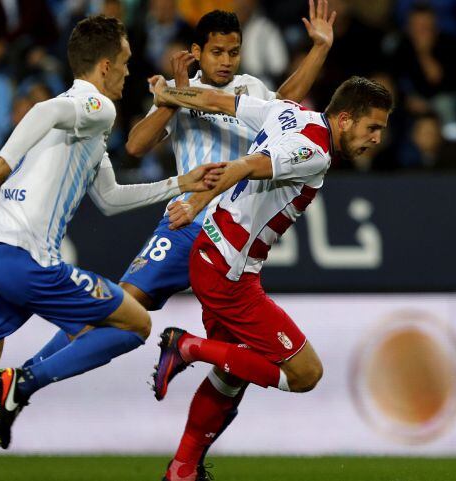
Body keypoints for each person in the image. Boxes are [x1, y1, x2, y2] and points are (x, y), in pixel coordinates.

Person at [13, 5, 334, 476]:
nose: (226, 60)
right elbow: (137, 145)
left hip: (231, 237)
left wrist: (320, 48)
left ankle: (186, 466)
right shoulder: (179, 93)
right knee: (120, 308)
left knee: (233, 370)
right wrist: (169, 99)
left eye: (234, 52)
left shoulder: (250, 90)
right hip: (185, 226)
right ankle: (29, 375)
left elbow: (285, 99)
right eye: (217, 52)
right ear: (198, 52)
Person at [0, 15, 221, 480]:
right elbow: (43, 111)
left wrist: (179, 184)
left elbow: (109, 200)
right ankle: (23, 381)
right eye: (126, 64)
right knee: (135, 323)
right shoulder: (93, 106)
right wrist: (1, 165)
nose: (129, 73)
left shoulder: (88, 128)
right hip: (27, 261)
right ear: (106, 66)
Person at [148, 75, 392, 481]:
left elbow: (216, 101)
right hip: (229, 275)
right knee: (305, 373)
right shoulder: (313, 151)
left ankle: (182, 469)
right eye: (373, 127)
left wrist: (167, 92)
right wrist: (195, 203)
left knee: (231, 375)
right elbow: (245, 165)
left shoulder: (289, 113)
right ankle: (186, 346)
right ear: (346, 119)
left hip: (211, 256)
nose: (377, 139)